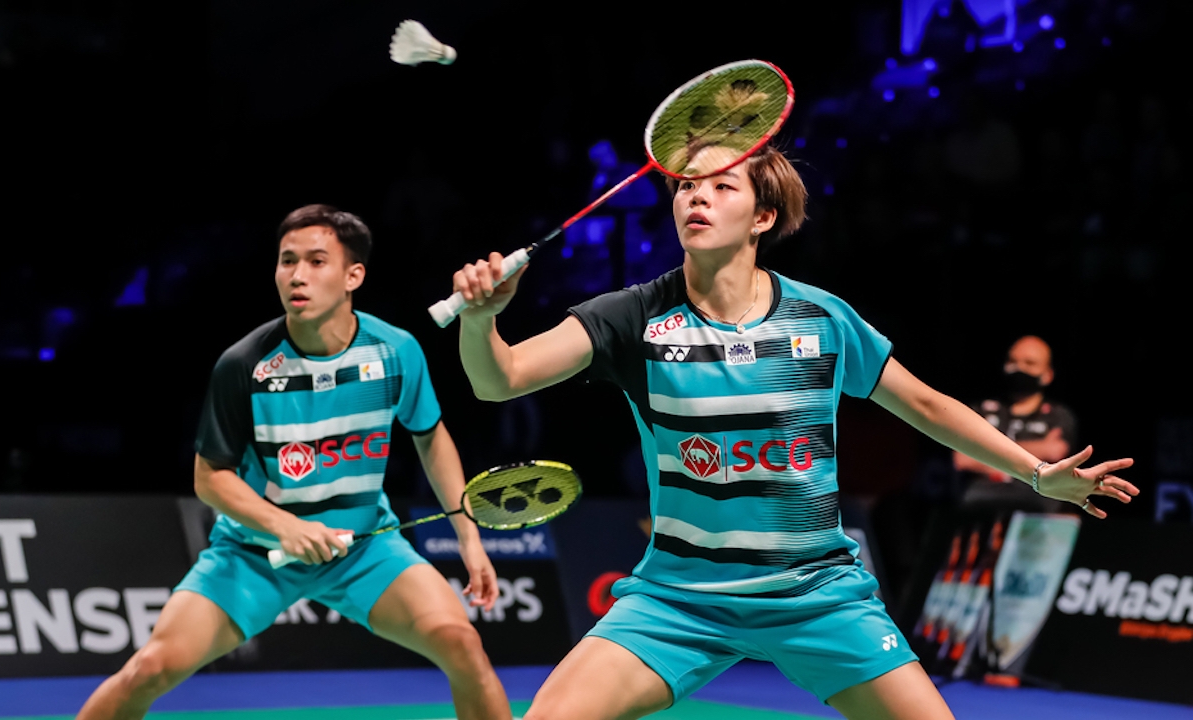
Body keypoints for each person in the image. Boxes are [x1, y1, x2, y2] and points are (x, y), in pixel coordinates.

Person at [448, 144, 1138, 720]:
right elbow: (499, 379)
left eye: (722, 186)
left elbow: (926, 406)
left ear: (763, 216)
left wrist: (1037, 474)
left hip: (814, 594)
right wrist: (481, 321)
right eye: (686, 186)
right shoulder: (633, 317)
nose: (697, 196)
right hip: (680, 599)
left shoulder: (821, 318)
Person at [77, 205, 512, 720]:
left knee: (461, 643)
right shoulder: (246, 364)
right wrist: (286, 528)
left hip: (363, 547)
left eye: (316, 261)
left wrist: (468, 537)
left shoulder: (395, 351)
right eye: (287, 261)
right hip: (255, 553)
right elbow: (210, 478)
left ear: (353, 276)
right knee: (150, 669)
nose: (297, 275)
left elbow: (430, 437)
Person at [954, 335, 1077, 512]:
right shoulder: (982, 410)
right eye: (1013, 361)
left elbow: (1055, 452)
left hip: (1037, 507)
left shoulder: (1058, 415)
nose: (1019, 368)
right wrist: (1036, 452)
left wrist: (985, 451)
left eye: (1029, 363)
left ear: (1047, 374)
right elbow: (963, 459)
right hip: (981, 504)